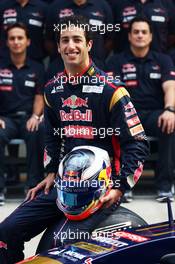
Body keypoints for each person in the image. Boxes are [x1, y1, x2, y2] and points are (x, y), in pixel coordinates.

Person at [0, 15, 149, 263]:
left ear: (89, 45)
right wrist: (50, 171)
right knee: (5, 232)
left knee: (59, 249)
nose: (71, 46)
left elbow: (138, 143)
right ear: (58, 47)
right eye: (65, 40)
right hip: (62, 186)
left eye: (77, 40)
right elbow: (51, 135)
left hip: (101, 190)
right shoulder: (52, 89)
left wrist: (120, 187)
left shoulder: (112, 90)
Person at [107, 16, 175, 202]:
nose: (140, 35)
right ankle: (124, 186)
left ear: (151, 36)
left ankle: (164, 187)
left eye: (144, 32)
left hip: (155, 114)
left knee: (169, 125)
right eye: (136, 32)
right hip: (127, 115)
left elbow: (170, 86)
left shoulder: (163, 60)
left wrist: (170, 110)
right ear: (129, 36)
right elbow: (110, 92)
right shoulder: (116, 61)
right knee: (116, 129)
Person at [0, 22, 45, 205]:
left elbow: (39, 95)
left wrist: (35, 116)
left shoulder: (37, 68)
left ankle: (33, 187)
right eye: (12, 38)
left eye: (20, 38)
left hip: (28, 118)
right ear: (7, 42)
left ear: (27, 42)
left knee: (38, 131)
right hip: (5, 119)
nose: (16, 41)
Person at [45, 0, 114, 62]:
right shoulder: (55, 7)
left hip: (95, 64)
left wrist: (99, 58)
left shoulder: (103, 6)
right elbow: (49, 40)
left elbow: (110, 39)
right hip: (62, 66)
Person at [111, 0, 175, 53]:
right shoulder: (116, 3)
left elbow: (172, 35)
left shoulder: (167, 3)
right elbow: (109, 37)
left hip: (158, 62)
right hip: (122, 62)